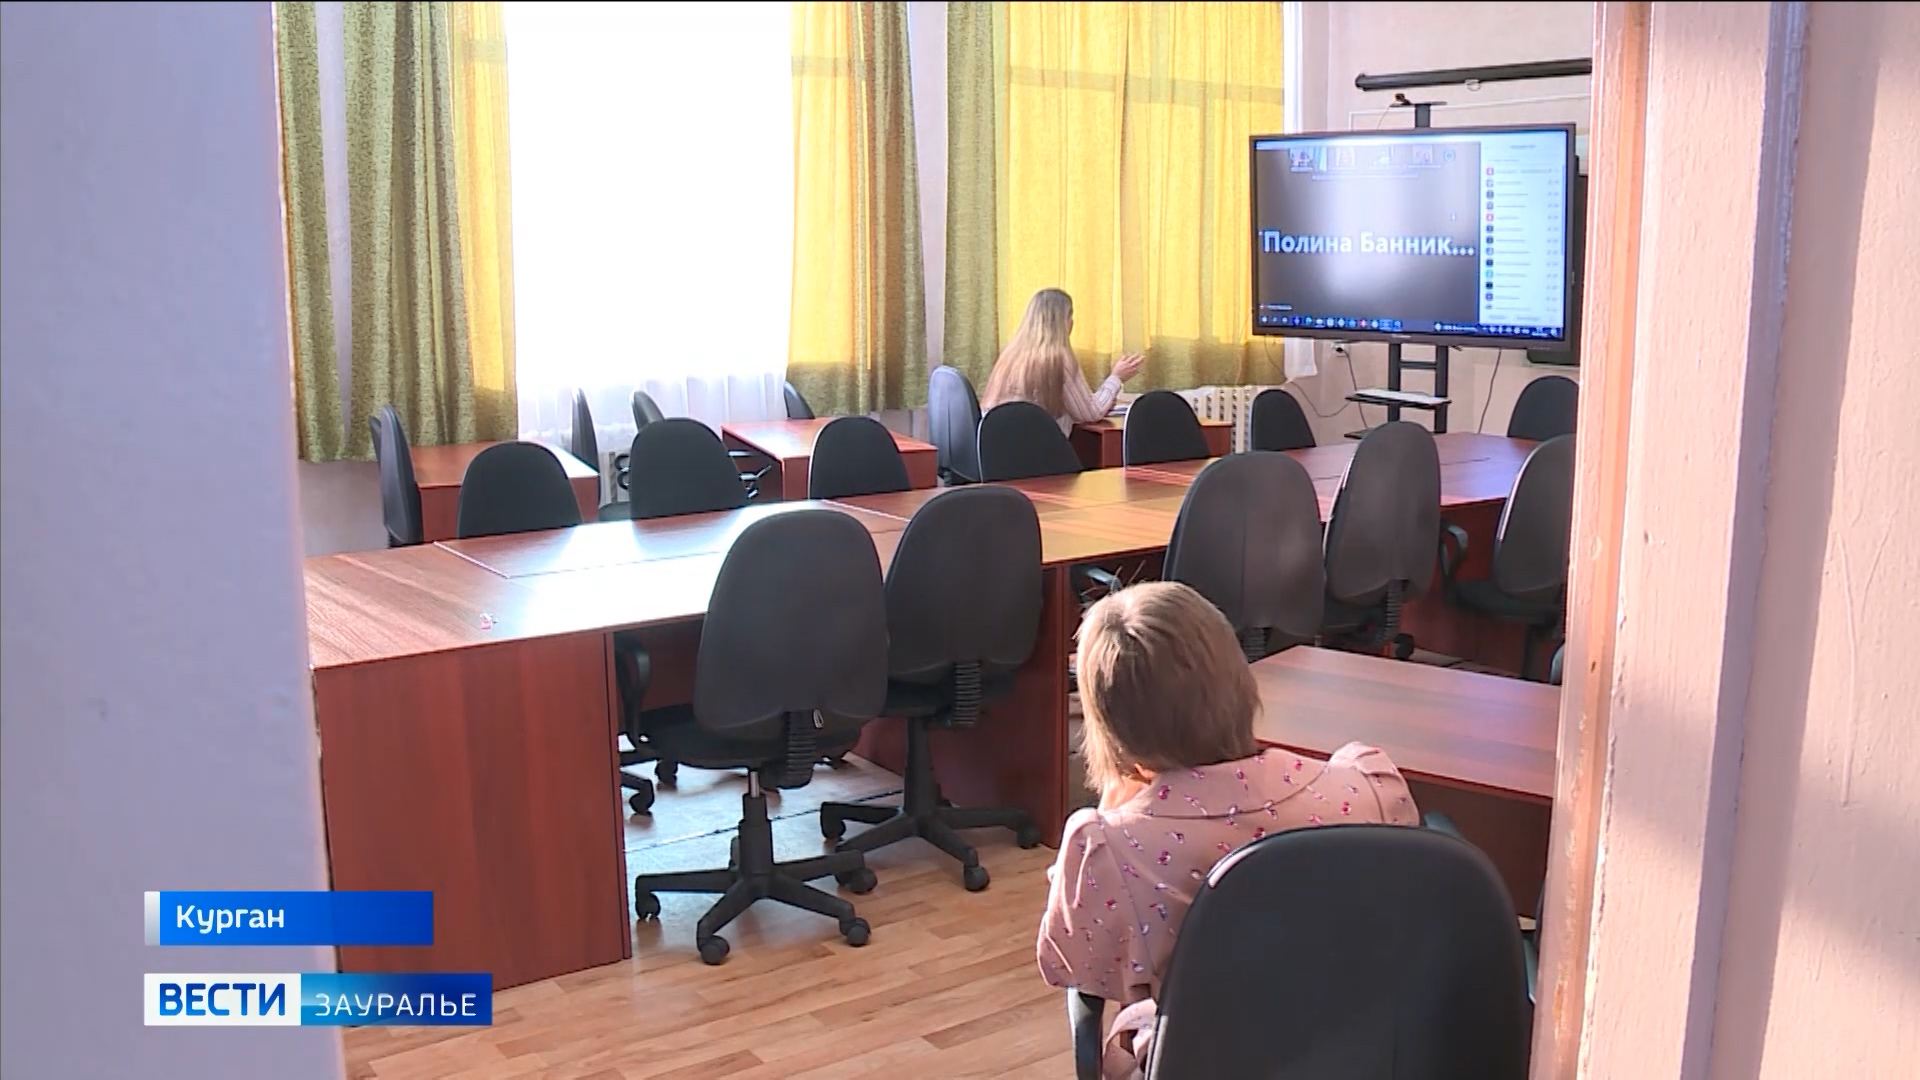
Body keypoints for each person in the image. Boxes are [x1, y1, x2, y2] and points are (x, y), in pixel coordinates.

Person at [1037, 583, 1420, 1079]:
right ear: (1239, 680)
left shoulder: (1110, 848)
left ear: (1109, 729)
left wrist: (1114, 810)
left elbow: (1070, 963)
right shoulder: (1365, 790)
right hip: (1358, 1058)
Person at [981, 288, 1146, 435]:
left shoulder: (1010, 355)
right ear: (1065, 322)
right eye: (1070, 316)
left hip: (997, 450)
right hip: (1039, 450)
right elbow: (1090, 412)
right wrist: (1117, 377)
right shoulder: (1058, 359)